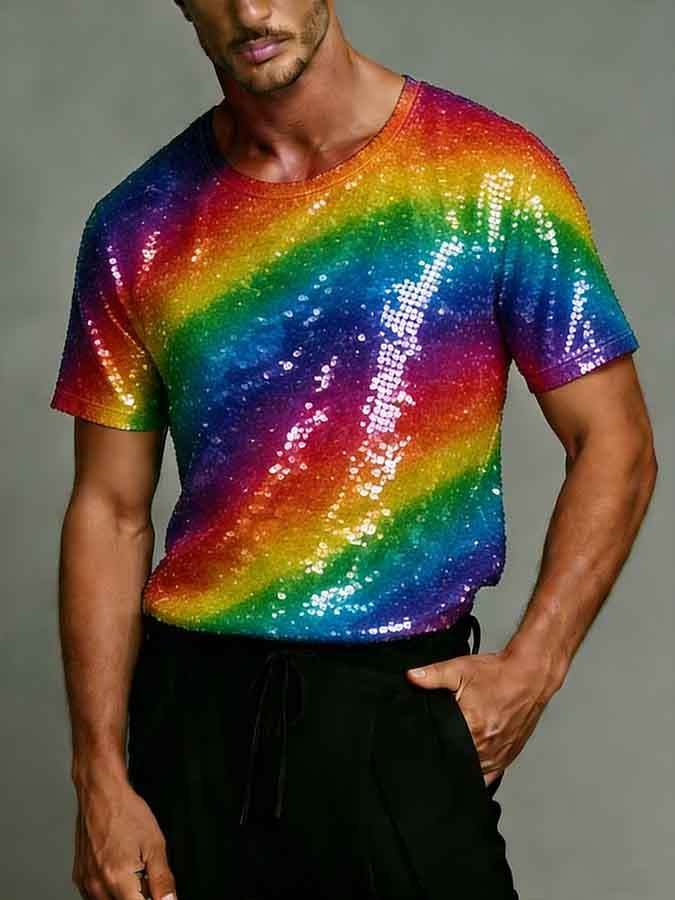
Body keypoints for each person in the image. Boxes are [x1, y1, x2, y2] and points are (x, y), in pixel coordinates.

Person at [49, 2, 657, 899]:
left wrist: (535, 664)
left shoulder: (488, 173)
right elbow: (109, 509)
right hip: (192, 721)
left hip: (397, 706)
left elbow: (614, 439)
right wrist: (99, 775)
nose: (250, 9)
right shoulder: (137, 223)